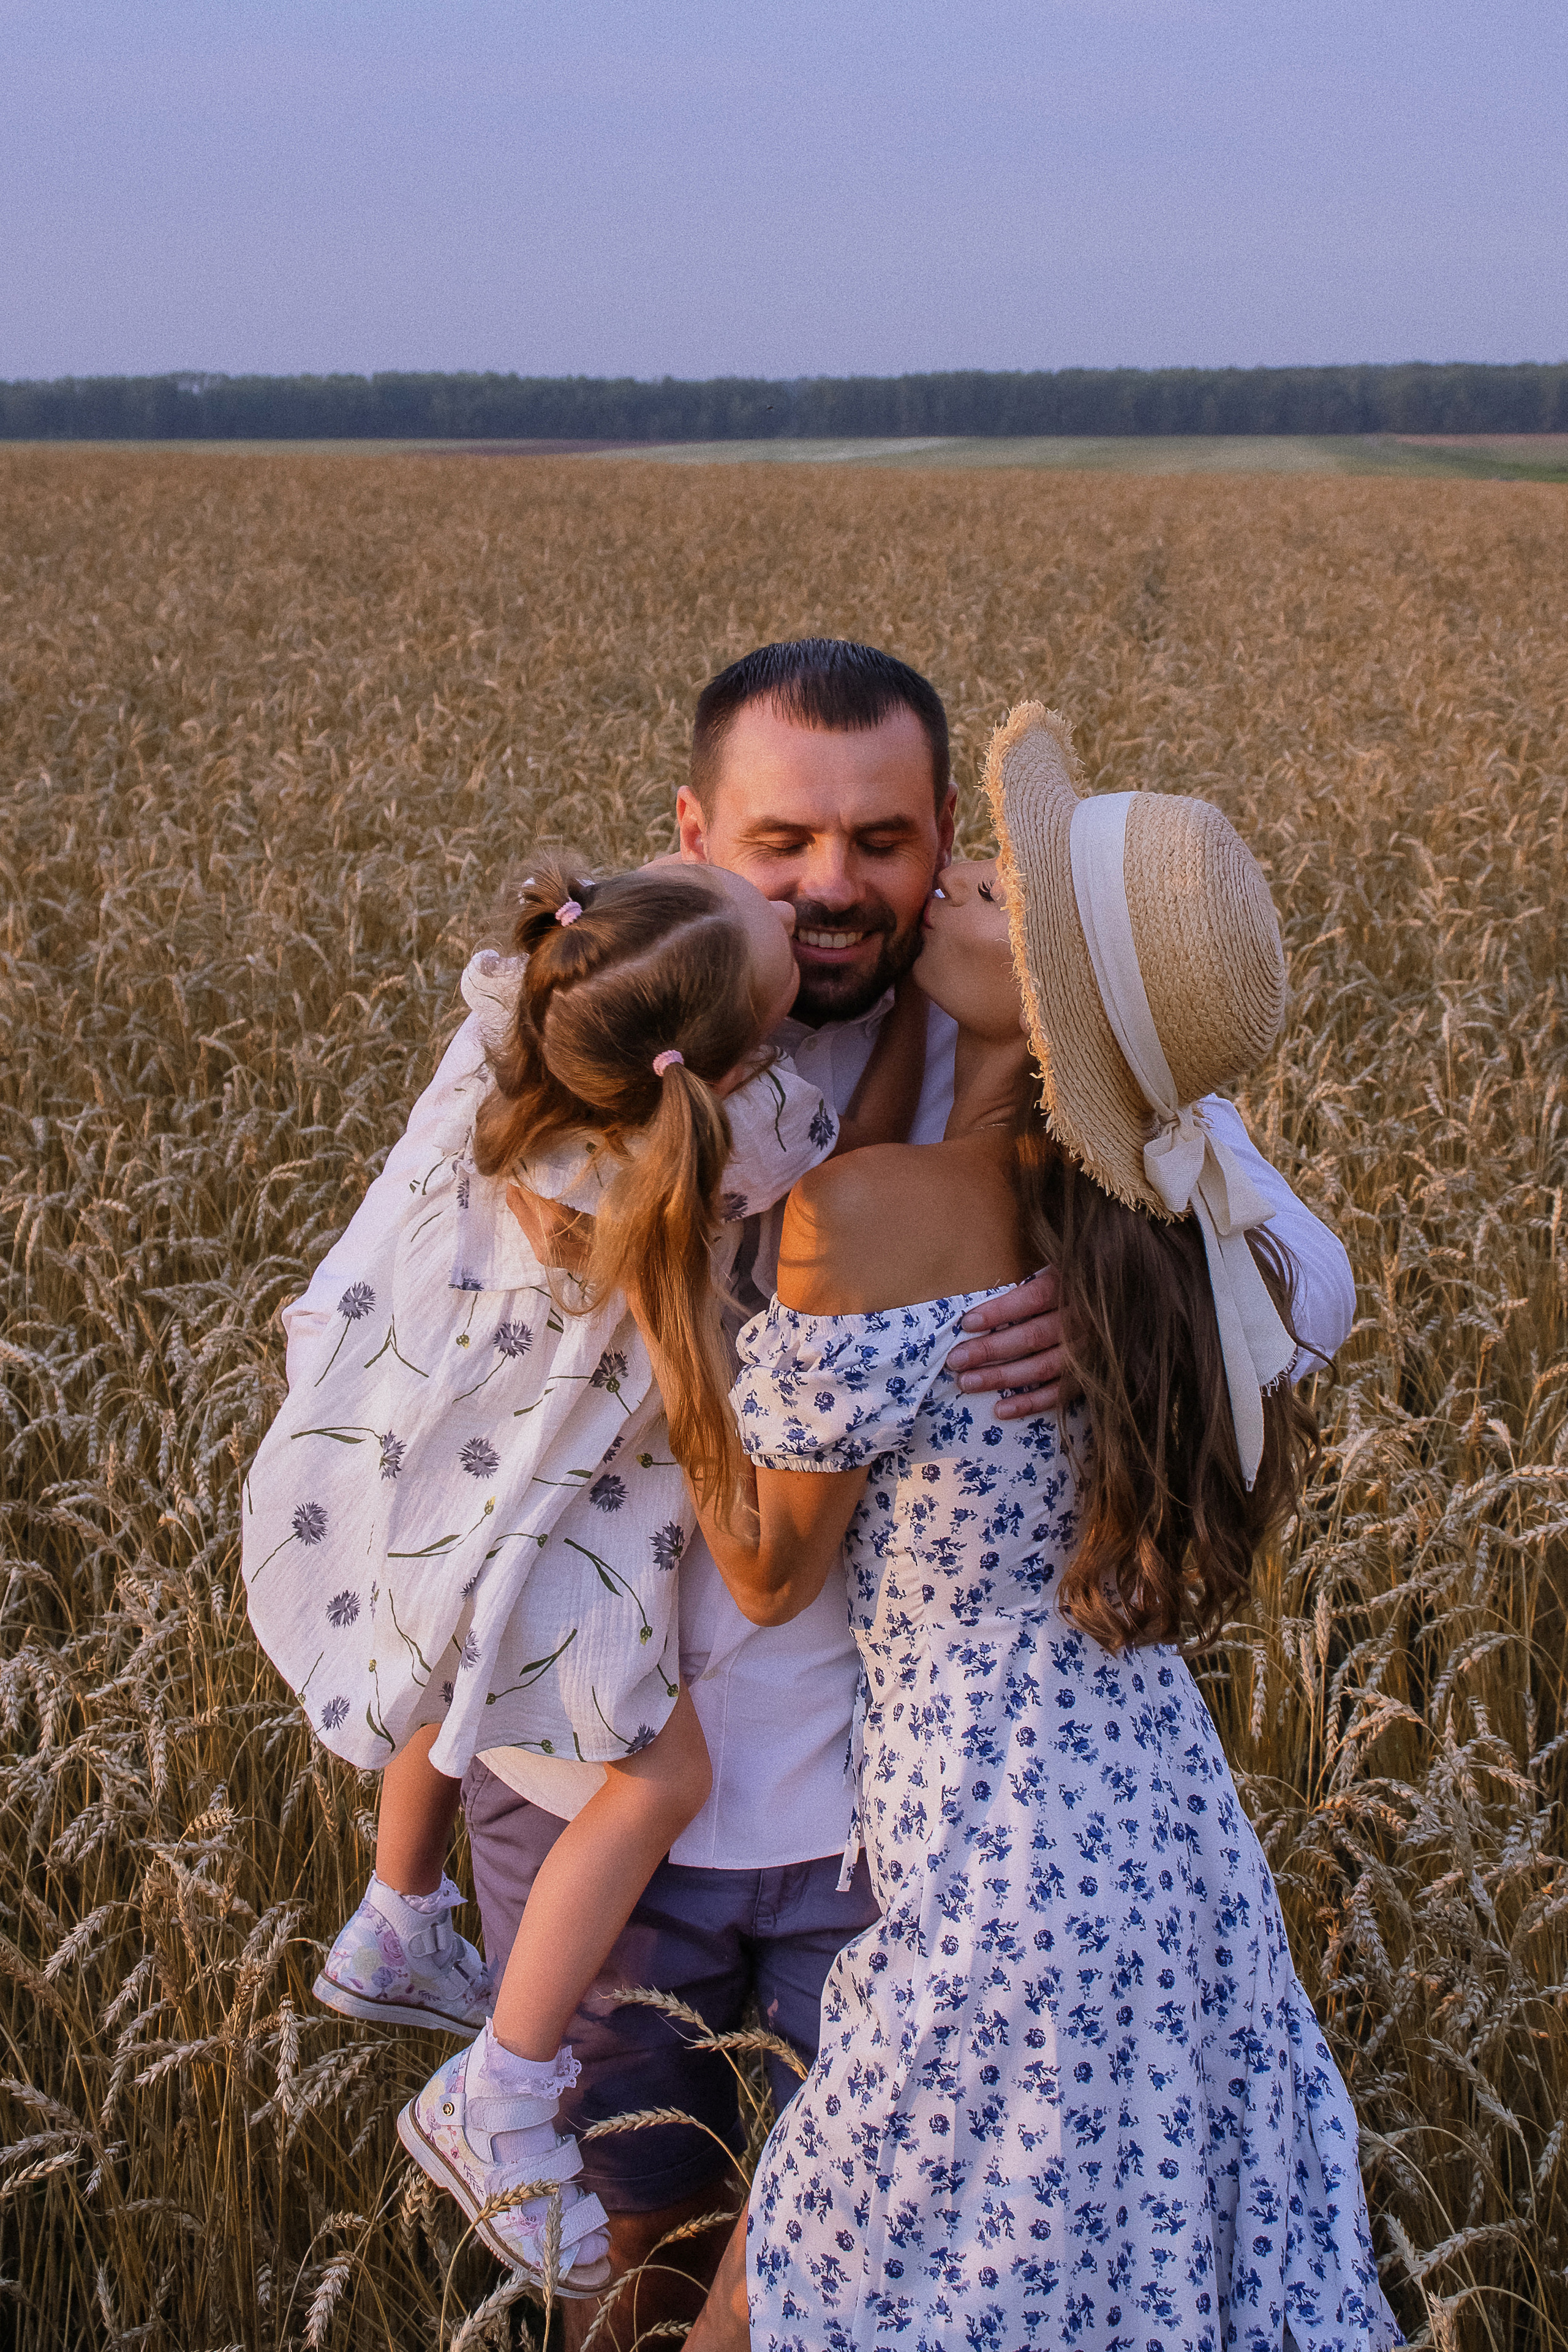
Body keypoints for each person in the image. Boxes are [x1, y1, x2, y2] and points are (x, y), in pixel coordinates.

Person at [290, 641, 1355, 2343]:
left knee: (848, 2276)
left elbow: (1309, 1273)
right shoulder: (599, 1019)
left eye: (882, 843)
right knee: (640, 2254)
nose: (835, 887)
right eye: (786, 843)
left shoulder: (1055, 1054)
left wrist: (1107, 1282)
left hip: (873, 1811)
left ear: (944, 841)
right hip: (598, 1793)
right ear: (696, 832)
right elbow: (390, 1342)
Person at [675, 703, 1400, 2350]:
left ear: (1062, 1019)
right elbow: (1300, 1277)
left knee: (792, 2300)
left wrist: (671, 1307)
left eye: (998, 904)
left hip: (1003, 1864)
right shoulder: (1163, 1228)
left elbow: (771, 1569)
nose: (952, 890)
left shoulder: (872, 1213)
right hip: (1165, 1837)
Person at [244, 852, 915, 2291]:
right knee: (652, 1780)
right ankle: (498, 2085)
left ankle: (395, 1911)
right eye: (766, 917)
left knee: (438, 1651)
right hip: (544, 1535)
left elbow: (526, 976)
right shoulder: (745, 1136)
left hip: (416, 1466)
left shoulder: (520, 1046)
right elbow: (854, 1123)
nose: (796, 910)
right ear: (727, 1056)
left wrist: (602, 912)